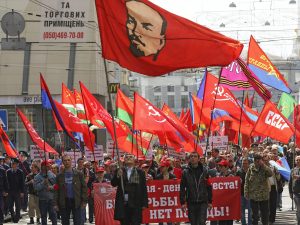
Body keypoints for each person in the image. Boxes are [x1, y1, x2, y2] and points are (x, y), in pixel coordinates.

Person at [111, 153, 148, 225]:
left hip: (136, 202)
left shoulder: (140, 172)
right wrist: (117, 175)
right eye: (127, 157)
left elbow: (143, 188)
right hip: (124, 202)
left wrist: (144, 203)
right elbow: (113, 184)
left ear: (134, 160)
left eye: (130, 157)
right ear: (124, 160)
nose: (128, 158)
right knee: (124, 222)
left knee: (135, 222)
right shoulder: (120, 170)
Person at [180, 151, 212, 225]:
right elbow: (182, 188)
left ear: (198, 159)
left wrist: (210, 201)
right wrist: (182, 202)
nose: (193, 158)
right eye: (191, 156)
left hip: (203, 201)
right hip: (191, 202)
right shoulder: (185, 172)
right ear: (189, 159)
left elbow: (209, 186)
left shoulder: (204, 171)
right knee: (193, 223)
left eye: (195, 156)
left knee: (201, 222)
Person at [54, 155, 87, 225]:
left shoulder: (79, 174)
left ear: (71, 161)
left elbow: (84, 188)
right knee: (65, 222)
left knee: (77, 221)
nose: (67, 162)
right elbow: (56, 190)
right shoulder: (59, 176)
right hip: (64, 201)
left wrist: (84, 201)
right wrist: (55, 203)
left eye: (68, 160)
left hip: (76, 201)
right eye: (65, 160)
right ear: (62, 162)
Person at [244, 153, 273, 225]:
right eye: (256, 161)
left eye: (259, 160)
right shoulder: (251, 168)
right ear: (254, 161)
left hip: (264, 196)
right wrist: (246, 192)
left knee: (265, 215)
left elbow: (270, 174)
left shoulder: (265, 167)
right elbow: (247, 181)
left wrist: (263, 165)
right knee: (254, 216)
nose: (257, 162)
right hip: (254, 196)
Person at [34, 160, 57, 225]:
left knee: (53, 215)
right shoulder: (37, 177)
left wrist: (51, 187)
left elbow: (56, 186)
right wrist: (43, 183)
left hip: (51, 199)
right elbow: (36, 188)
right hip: (42, 200)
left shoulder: (52, 175)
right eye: (46, 166)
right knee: (43, 216)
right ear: (42, 167)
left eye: (48, 166)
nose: (48, 167)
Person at [6, 158, 24, 223]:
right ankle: (13, 216)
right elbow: (6, 182)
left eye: (14, 164)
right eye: (12, 163)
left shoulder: (20, 172)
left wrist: (22, 191)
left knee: (18, 205)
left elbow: (22, 183)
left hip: (17, 191)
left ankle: (17, 218)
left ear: (17, 164)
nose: (13, 165)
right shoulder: (8, 171)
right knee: (10, 205)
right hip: (10, 191)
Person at [236, 157, 252, 225]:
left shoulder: (251, 171)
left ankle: (250, 223)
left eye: (246, 163)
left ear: (248, 164)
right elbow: (235, 181)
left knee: (250, 210)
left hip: (249, 193)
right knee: (242, 210)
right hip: (241, 194)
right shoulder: (238, 171)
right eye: (243, 163)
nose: (244, 164)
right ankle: (243, 223)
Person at [289, 155, 300, 225]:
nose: (298, 161)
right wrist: (290, 192)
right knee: (298, 209)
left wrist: (298, 177)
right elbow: (290, 182)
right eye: (297, 160)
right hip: (296, 193)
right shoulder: (292, 170)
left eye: (299, 160)